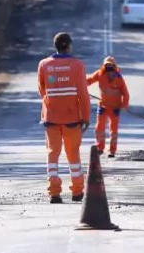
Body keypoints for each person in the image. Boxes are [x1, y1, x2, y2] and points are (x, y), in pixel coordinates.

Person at [37, 32, 90, 204]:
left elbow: (42, 91)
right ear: (68, 46)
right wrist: (86, 117)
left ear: (56, 46)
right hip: (72, 119)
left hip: (51, 118)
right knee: (73, 155)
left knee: (53, 154)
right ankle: (77, 192)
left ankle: (54, 193)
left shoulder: (44, 65)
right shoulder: (77, 65)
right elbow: (83, 94)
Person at [87, 56, 129, 158]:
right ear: (104, 66)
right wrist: (81, 84)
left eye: (111, 65)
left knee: (113, 130)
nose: (109, 67)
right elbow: (89, 80)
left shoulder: (119, 78)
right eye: (107, 65)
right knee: (99, 128)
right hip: (103, 106)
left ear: (114, 66)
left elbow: (125, 93)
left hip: (115, 108)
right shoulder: (100, 73)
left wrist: (124, 105)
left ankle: (112, 150)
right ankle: (99, 148)